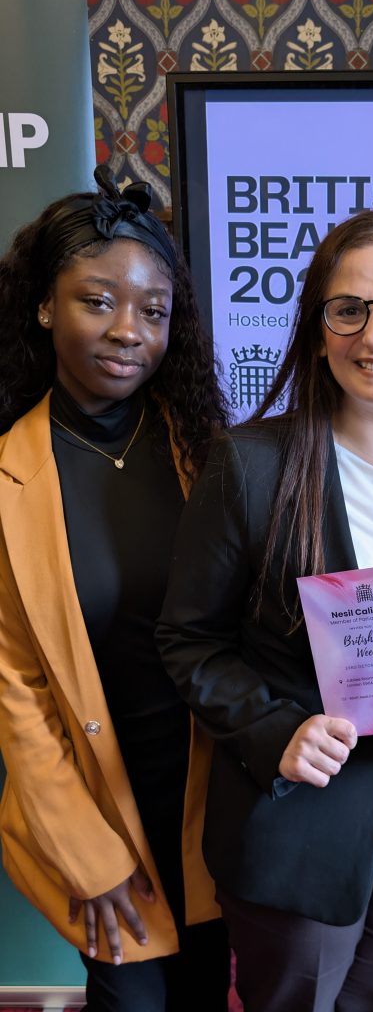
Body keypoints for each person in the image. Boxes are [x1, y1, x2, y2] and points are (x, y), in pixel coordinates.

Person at [156, 209, 373, 1012]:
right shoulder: (250, 465)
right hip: (295, 825)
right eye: (346, 309)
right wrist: (272, 731)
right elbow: (189, 641)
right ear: (318, 330)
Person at [0, 167, 231, 1011]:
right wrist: (87, 856)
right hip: (94, 804)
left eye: (154, 310)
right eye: (98, 301)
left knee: (208, 994)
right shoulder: (6, 476)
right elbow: (15, 692)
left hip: (212, 796)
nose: (128, 330)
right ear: (42, 307)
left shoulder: (207, 451)